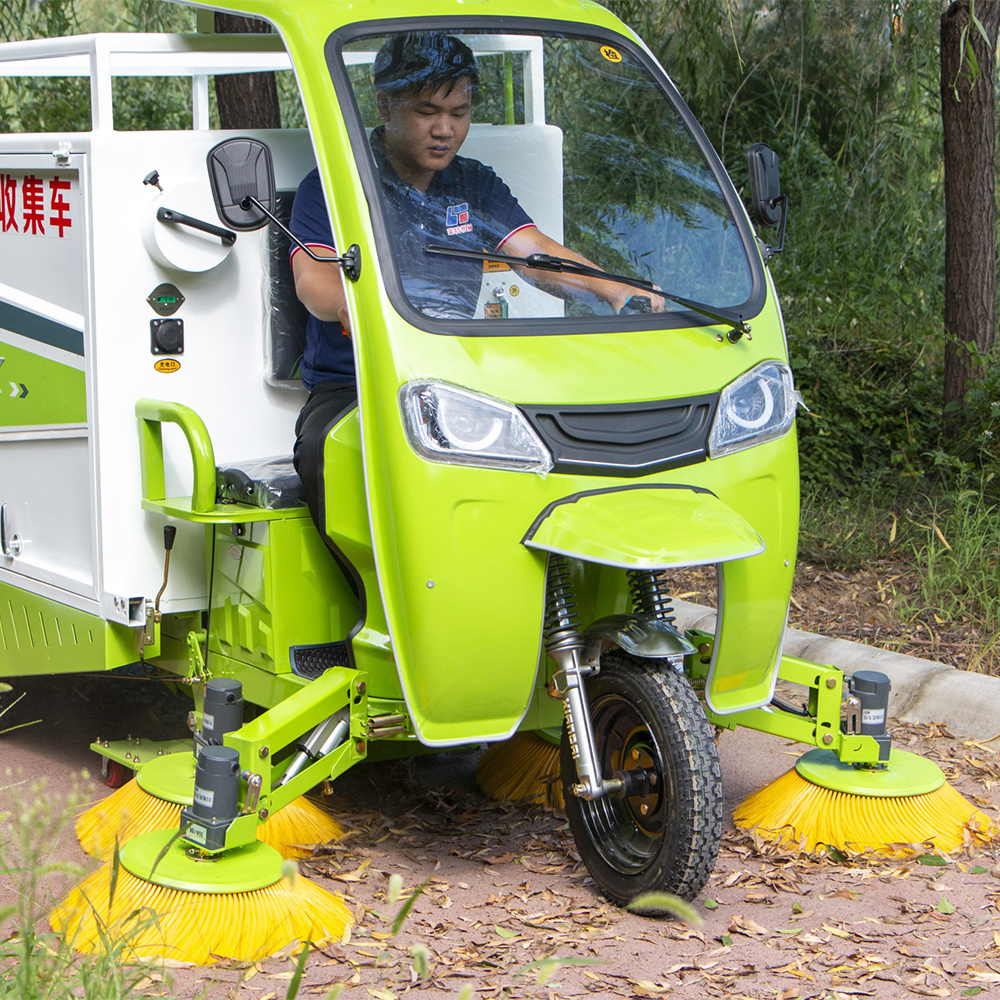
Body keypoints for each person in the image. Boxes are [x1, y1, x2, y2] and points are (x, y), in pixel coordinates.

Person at [289, 32, 656, 534]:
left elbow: (537, 256)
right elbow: (315, 280)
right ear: (385, 104)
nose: (445, 129)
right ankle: (364, 595)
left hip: (462, 376)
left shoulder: (474, 184)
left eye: (459, 113)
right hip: (355, 383)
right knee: (323, 453)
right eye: (426, 111)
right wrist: (361, 309)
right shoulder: (334, 183)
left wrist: (614, 289)